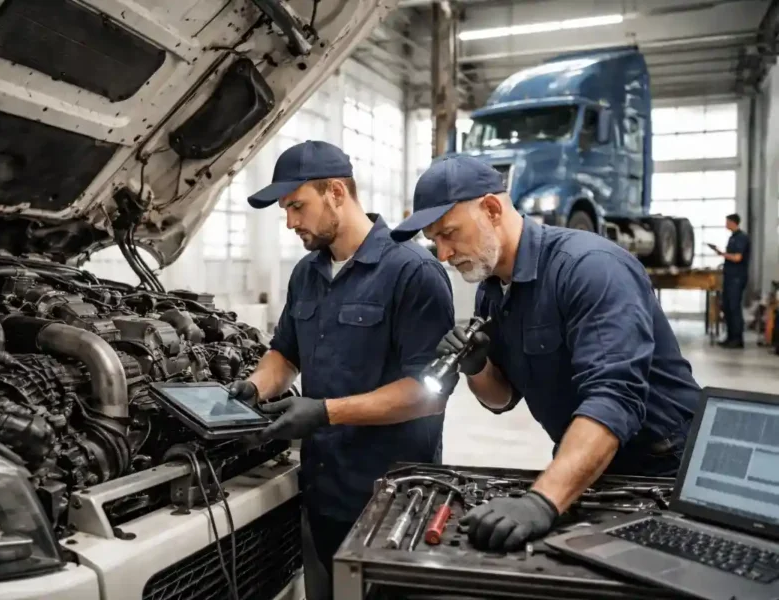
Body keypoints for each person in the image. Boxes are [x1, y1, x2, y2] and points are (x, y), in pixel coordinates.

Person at [390, 154, 702, 554]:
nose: (443, 254)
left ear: (491, 209)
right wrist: (477, 365)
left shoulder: (589, 268)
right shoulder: (492, 290)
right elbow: (500, 399)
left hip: (663, 470)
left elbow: (615, 399)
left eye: (450, 233)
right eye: (435, 241)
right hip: (587, 464)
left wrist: (543, 500)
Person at [226, 140, 455, 599]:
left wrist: (325, 412)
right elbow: (285, 353)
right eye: (285, 211)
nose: (290, 222)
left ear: (335, 192)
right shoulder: (305, 274)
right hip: (321, 491)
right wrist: (254, 388)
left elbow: (428, 392)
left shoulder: (413, 272)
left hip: (392, 502)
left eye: (297, 206)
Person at [708, 213, 750, 349]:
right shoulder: (733, 237)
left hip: (737, 277)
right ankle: (730, 337)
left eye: (727, 222)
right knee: (727, 306)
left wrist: (721, 254)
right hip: (730, 276)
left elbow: (737, 257)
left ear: (733, 222)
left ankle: (737, 339)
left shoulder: (741, 238)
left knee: (734, 307)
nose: (726, 225)